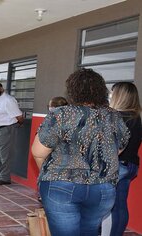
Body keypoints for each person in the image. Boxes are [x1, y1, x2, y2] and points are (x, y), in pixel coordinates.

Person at [31, 68, 130, 236]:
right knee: (89, 231)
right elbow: (119, 147)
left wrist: (49, 174)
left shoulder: (61, 114)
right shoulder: (114, 116)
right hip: (102, 189)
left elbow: (38, 152)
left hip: (61, 185)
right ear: (101, 90)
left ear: (72, 90)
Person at [101, 82, 142, 236]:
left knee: (110, 207)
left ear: (119, 95)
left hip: (119, 166)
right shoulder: (135, 117)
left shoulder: (118, 117)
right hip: (130, 165)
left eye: (113, 92)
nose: (110, 95)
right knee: (120, 205)